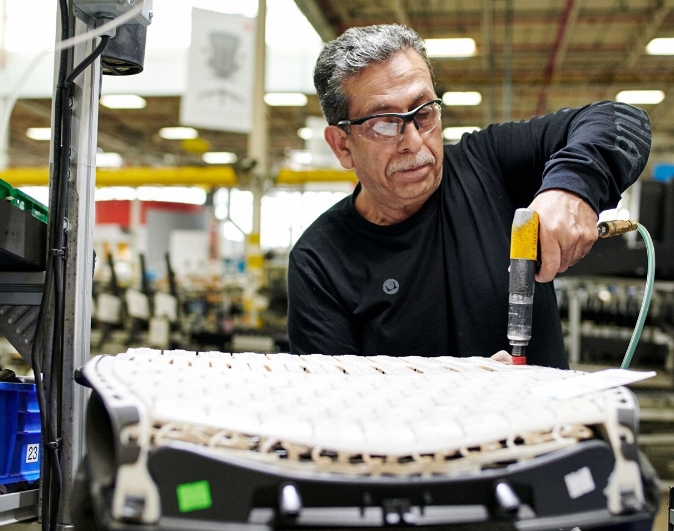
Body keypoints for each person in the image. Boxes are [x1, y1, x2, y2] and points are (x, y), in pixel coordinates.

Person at [286, 24, 651, 369]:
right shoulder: (320, 261)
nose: (413, 141)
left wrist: (573, 187)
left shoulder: (491, 165)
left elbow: (622, 120)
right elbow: (336, 412)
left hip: (552, 434)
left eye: (423, 112)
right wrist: (458, 393)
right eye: (384, 123)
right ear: (341, 145)